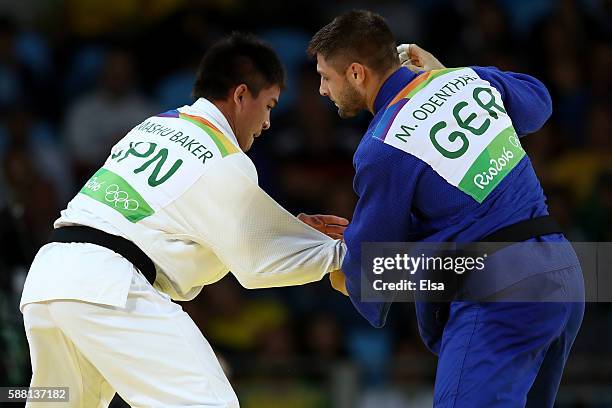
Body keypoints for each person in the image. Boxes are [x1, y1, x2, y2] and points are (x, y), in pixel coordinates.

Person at [20, 33, 348, 408]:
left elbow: (189, 228)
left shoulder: (155, 125)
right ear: (241, 96)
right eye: (269, 105)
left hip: (49, 279)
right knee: (209, 402)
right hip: (108, 287)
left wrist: (292, 231)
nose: (268, 123)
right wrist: (333, 257)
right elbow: (255, 262)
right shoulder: (226, 157)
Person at [309, 10, 585, 407]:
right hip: (562, 270)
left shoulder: (384, 146)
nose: (321, 90)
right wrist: (452, 72)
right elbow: (538, 102)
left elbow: (371, 267)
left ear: (355, 73)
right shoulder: (460, 79)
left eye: (325, 76)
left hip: (498, 289)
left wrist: (330, 265)